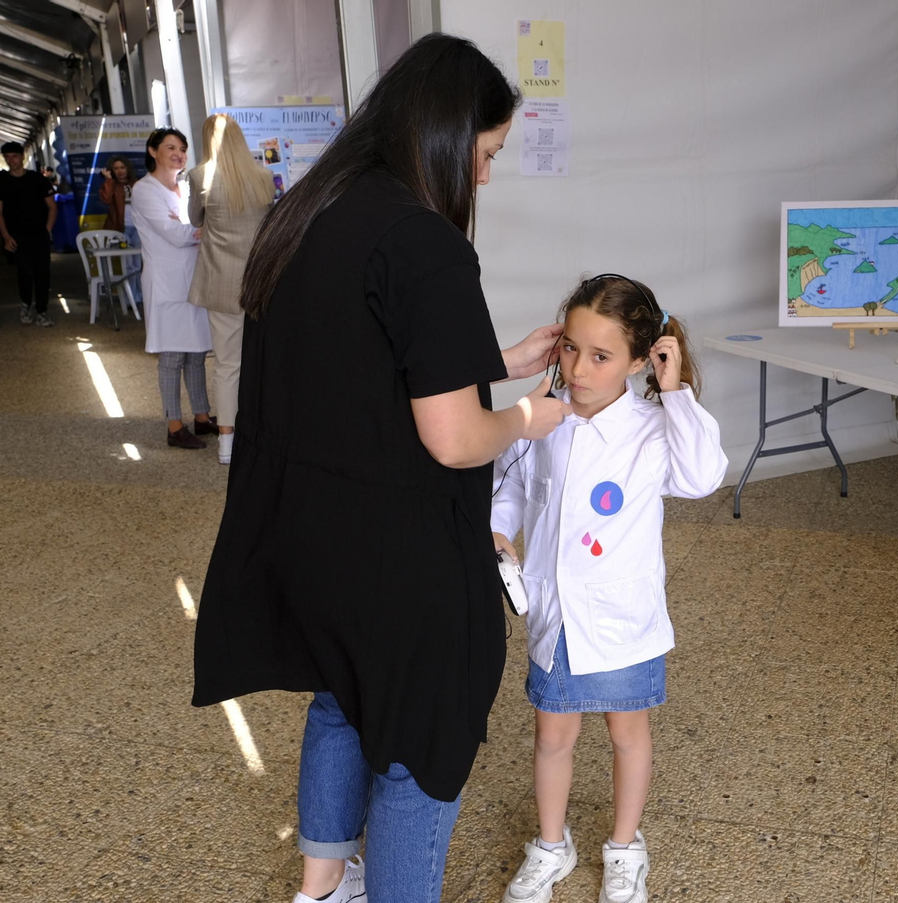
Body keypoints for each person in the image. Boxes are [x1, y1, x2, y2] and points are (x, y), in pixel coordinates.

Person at [191, 33, 572, 903]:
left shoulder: (312, 213)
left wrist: (495, 355)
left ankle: (320, 888)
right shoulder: (424, 239)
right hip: (395, 553)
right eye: (485, 153)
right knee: (419, 744)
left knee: (341, 702)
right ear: (443, 135)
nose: (483, 176)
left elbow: (362, 363)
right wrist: (526, 414)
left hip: (310, 536)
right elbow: (450, 438)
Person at [490, 276, 726, 903]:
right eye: (570, 348)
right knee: (552, 736)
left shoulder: (653, 427)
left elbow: (704, 476)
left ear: (642, 359)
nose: (579, 368)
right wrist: (498, 528)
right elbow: (509, 481)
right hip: (556, 613)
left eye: (601, 356)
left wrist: (675, 393)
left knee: (628, 734)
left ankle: (625, 847)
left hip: (624, 618)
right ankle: (550, 843)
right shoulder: (543, 418)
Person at [188, 114, 273, 465]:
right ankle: (264, 433)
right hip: (261, 281)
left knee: (227, 364)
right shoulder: (264, 176)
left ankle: (227, 443)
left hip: (221, 282)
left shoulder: (200, 176)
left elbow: (195, 218)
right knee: (263, 361)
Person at [129, 128, 215, 449]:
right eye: (170, 148)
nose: (178, 153)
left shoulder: (183, 188)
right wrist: (206, 228)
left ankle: (202, 417)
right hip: (166, 283)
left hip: (193, 279)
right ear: (153, 151)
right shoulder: (144, 189)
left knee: (196, 354)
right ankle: (174, 425)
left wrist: (192, 228)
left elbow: (188, 228)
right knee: (172, 357)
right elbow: (176, 234)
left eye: (182, 148)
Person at [0, 142, 59, 327]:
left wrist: (47, 230)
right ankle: (26, 304)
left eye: (14, 156)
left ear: (22, 157)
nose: (11, 160)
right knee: (24, 273)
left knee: (43, 273)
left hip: (39, 234)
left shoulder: (37, 179)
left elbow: (52, 206)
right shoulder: (1, 182)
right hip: (16, 236)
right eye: (7, 157)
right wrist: (5, 236)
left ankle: (42, 311)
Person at [99, 156, 135, 237]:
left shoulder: (137, 183)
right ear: (112, 171)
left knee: (139, 249)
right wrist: (109, 180)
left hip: (138, 227)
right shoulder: (110, 184)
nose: (120, 171)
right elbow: (106, 199)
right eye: (116, 168)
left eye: (122, 167)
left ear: (127, 169)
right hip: (119, 227)